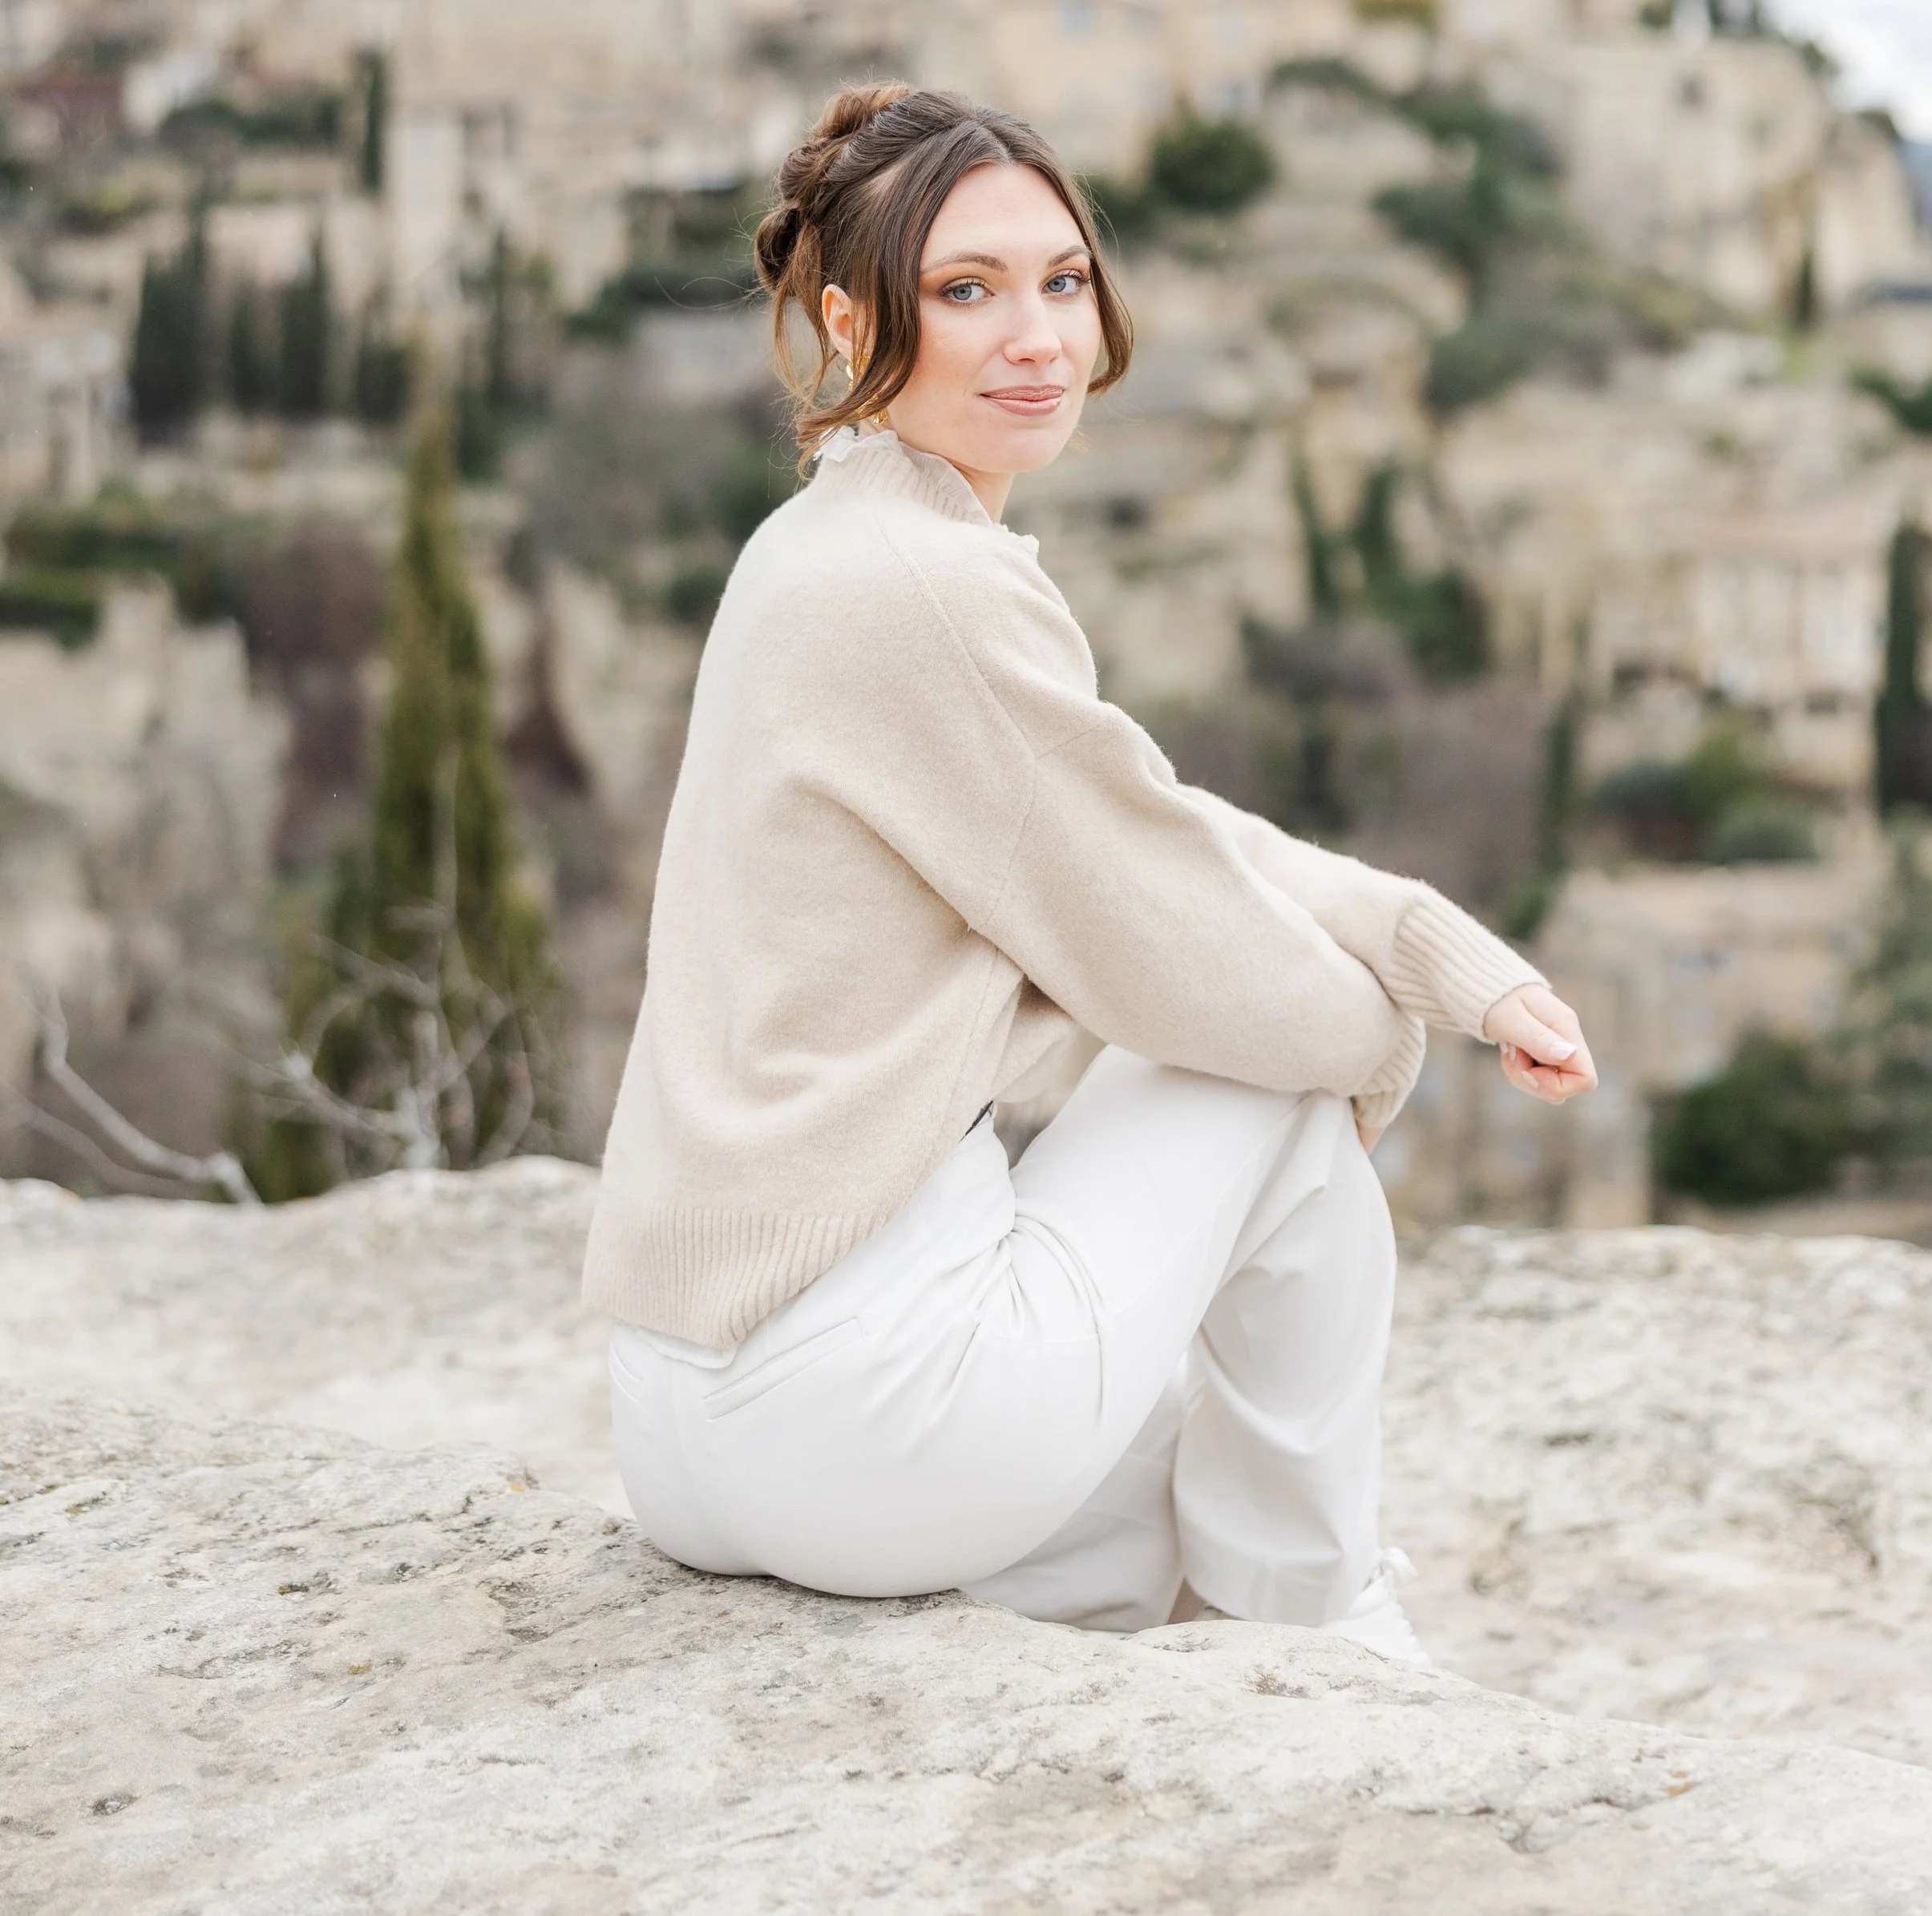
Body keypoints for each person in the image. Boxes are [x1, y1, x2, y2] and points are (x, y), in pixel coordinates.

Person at [584, 85, 1595, 1649]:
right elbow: (1190, 935)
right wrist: (1379, 1026)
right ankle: (1322, 1649)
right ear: (851, 322)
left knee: (1145, 1550)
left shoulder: (820, 545)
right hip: (849, 1412)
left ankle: (1257, 1610)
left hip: (684, 1431)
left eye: (1060, 281)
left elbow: (1139, 821)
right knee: (1270, 1079)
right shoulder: (927, 587)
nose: (1037, 336)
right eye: (965, 292)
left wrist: (1419, 938)